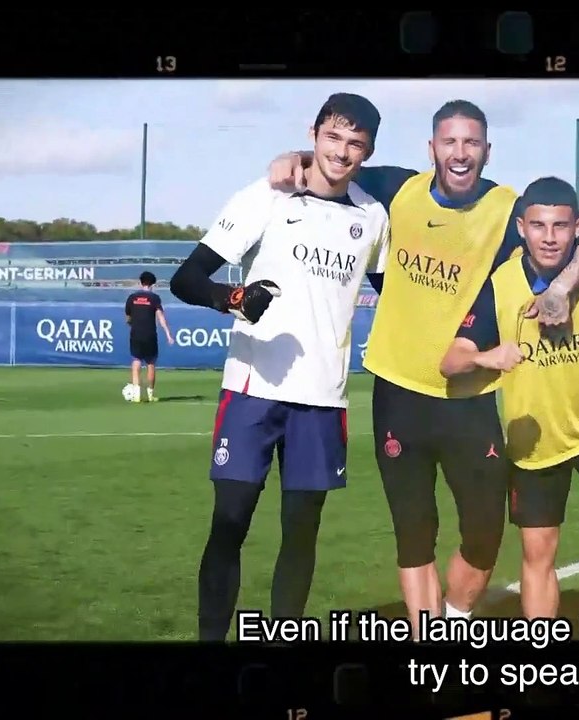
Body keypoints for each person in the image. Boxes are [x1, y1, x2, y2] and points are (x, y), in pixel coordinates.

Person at [266, 100, 579, 637]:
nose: (460, 153)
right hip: (424, 400)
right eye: (449, 141)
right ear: (431, 148)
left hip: (520, 411)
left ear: (488, 150)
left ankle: (492, 617)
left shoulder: (531, 226)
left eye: (472, 143)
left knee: (526, 535)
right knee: (429, 534)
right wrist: (295, 156)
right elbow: (336, 161)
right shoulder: (402, 193)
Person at [168, 93, 391, 641]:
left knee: (301, 534)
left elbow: (396, 293)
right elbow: (186, 278)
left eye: (355, 143)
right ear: (314, 133)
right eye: (334, 137)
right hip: (252, 389)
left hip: (323, 399)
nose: (342, 152)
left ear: (368, 151)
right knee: (230, 523)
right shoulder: (265, 196)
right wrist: (233, 297)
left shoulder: (373, 216)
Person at [440, 176, 579, 620]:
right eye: (538, 226)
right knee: (539, 556)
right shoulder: (498, 285)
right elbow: (451, 361)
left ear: (577, 228)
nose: (549, 237)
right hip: (533, 444)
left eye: (559, 226)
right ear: (521, 227)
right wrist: (485, 356)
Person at [124, 271, 173, 402]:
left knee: (136, 361)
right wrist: (168, 334)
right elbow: (161, 317)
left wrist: (131, 324)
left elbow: (128, 317)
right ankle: (151, 394)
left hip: (136, 333)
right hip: (150, 334)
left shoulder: (132, 298)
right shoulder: (154, 298)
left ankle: (136, 393)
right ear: (153, 284)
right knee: (150, 363)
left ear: (140, 283)